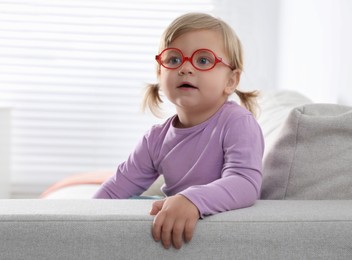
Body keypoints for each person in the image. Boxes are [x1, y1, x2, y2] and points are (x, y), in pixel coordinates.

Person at [93, 12, 264, 249]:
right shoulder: (155, 138)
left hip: (215, 229)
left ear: (231, 81)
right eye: (173, 60)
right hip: (176, 228)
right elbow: (113, 192)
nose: (185, 68)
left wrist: (191, 199)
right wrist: (83, 222)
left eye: (203, 60)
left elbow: (245, 183)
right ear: (160, 73)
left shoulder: (237, 123)